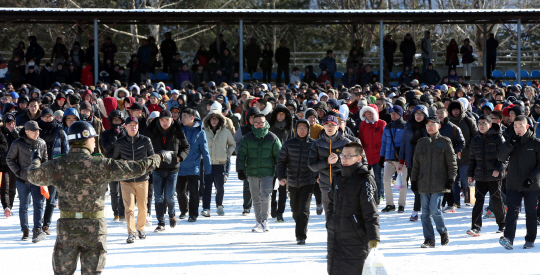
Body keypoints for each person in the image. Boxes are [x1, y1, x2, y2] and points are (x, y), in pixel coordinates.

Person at [27, 121, 173, 274]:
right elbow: (136, 168)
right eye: (93, 140)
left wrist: (36, 158)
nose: (95, 144)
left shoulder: (58, 164)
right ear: (86, 139)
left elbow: (33, 175)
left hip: (67, 229)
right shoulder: (101, 165)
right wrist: (159, 157)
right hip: (94, 229)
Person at [326, 142, 380, 273]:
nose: (344, 158)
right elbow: (331, 204)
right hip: (335, 236)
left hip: (356, 238)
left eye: (349, 156)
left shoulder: (365, 179)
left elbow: (371, 211)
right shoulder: (338, 177)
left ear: (359, 158)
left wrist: (373, 237)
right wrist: (330, 222)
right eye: (343, 155)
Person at [411, 116, 457, 248]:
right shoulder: (421, 143)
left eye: (433, 124)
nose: (430, 127)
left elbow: (452, 163)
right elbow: (415, 165)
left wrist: (451, 178)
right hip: (423, 182)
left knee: (434, 209)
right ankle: (429, 239)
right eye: (428, 124)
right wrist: (413, 180)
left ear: (439, 126)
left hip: (439, 182)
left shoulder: (445, 141)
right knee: (425, 213)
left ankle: (443, 232)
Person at [497, 115, 540, 250]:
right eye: (515, 126)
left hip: (531, 185)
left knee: (531, 213)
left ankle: (530, 239)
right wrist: (510, 144)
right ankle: (508, 239)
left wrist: (531, 178)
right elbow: (500, 157)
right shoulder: (511, 141)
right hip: (513, 184)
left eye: (520, 125)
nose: (518, 129)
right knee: (512, 212)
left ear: (527, 126)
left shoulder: (536, 142)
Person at [145, 110, 190, 230]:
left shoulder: (177, 131)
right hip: (157, 168)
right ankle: (161, 223)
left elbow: (186, 147)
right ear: (159, 120)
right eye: (162, 120)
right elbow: (145, 147)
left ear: (172, 120)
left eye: (167, 120)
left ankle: (172, 214)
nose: (165, 123)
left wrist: (180, 157)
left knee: (169, 197)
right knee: (158, 197)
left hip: (172, 169)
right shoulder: (152, 131)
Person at [236, 114, 282, 232]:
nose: (258, 125)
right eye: (256, 123)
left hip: (268, 172)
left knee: (266, 196)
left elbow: (279, 157)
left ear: (265, 123)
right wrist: (240, 169)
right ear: (253, 124)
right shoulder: (247, 138)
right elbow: (241, 155)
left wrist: (280, 172)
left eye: (261, 122)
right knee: (256, 197)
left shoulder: (272, 138)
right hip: (252, 172)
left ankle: (265, 221)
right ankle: (258, 222)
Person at [112, 116, 154, 243]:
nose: (133, 126)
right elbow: (115, 160)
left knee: (142, 208)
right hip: (126, 180)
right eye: (130, 124)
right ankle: (131, 232)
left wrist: (147, 172)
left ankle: (140, 228)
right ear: (125, 127)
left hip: (142, 179)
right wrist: (120, 173)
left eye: (135, 124)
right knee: (129, 208)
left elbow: (152, 158)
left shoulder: (145, 140)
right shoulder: (120, 142)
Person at [276, 119, 316, 244]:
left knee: (303, 208)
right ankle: (301, 225)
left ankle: (301, 236)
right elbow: (281, 162)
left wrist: (317, 175)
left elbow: (317, 162)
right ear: (295, 130)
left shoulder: (314, 144)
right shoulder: (288, 144)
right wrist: (281, 177)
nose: (302, 130)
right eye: (299, 128)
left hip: (308, 181)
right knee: (295, 210)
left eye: (304, 128)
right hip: (292, 181)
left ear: (308, 130)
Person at [6, 121, 47, 242]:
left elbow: (45, 161)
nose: (37, 133)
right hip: (22, 180)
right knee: (23, 206)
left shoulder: (42, 143)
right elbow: (9, 159)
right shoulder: (17, 143)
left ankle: (37, 230)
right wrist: (18, 172)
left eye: (38, 130)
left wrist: (44, 175)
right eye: (34, 131)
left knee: (38, 205)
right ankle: (25, 230)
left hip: (37, 180)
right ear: (27, 131)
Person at [467, 115, 506, 236]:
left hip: (494, 177)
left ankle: (502, 225)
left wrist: (498, 169)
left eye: (484, 123)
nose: (481, 126)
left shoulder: (498, 138)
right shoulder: (475, 140)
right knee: (478, 202)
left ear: (490, 124)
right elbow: (472, 159)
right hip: (480, 176)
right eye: (479, 123)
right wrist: (470, 174)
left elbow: (505, 157)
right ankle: (475, 227)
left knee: (497, 201)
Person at [308, 115, 352, 218]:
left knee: (343, 215)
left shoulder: (346, 142)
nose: (329, 127)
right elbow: (312, 166)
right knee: (329, 216)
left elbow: (353, 164)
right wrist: (327, 161)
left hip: (343, 183)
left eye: (332, 125)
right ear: (323, 127)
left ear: (337, 127)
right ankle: (331, 234)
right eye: (327, 125)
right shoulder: (317, 144)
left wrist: (337, 162)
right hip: (325, 184)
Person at [38, 108, 69, 235]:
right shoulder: (37, 130)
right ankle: (37, 224)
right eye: (45, 117)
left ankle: (46, 225)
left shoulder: (60, 130)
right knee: (38, 199)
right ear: (41, 118)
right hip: (40, 168)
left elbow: (65, 149)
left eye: (49, 116)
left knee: (50, 199)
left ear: (53, 117)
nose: (47, 119)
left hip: (55, 169)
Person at [177, 108, 212, 222]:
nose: (182, 119)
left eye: (185, 116)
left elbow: (205, 151)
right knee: (180, 192)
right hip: (180, 166)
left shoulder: (200, 132)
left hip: (194, 167)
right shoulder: (178, 129)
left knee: (194, 192)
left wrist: (208, 169)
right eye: (182, 116)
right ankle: (183, 210)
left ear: (192, 118)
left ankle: (193, 214)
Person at [202, 110, 235, 217]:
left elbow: (232, 144)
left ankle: (219, 206)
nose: (214, 120)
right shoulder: (204, 131)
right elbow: (199, 145)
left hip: (221, 163)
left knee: (220, 187)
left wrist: (228, 153)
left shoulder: (226, 132)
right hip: (208, 163)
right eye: (212, 118)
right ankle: (206, 209)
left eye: (216, 118)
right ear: (209, 120)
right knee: (207, 187)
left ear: (220, 120)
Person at [447, 100, 478, 210]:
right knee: (454, 180)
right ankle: (455, 201)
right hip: (452, 155)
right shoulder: (447, 122)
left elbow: (476, 136)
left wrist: (470, 147)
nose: (455, 112)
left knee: (466, 179)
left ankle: (469, 199)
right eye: (453, 110)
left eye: (457, 110)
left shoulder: (468, 121)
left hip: (466, 155)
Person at [380, 105, 408, 212]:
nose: (393, 115)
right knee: (386, 181)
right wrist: (382, 157)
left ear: (400, 114)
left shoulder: (406, 126)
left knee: (403, 183)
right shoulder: (387, 126)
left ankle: (401, 204)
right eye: (392, 113)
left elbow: (407, 144)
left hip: (402, 160)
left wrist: (406, 158)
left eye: (395, 113)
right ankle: (390, 204)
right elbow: (384, 143)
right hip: (389, 159)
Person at [269, 104, 294, 222]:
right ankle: (273, 206)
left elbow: (292, 142)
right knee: (272, 188)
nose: (280, 116)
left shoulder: (289, 128)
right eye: (279, 113)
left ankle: (280, 212)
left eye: (283, 114)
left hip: (284, 161)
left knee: (283, 188)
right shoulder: (269, 127)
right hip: (271, 161)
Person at [233, 106, 260, 215]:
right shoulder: (242, 129)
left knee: (262, 186)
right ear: (248, 118)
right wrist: (243, 151)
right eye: (251, 117)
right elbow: (235, 143)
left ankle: (262, 206)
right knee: (247, 185)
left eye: (256, 117)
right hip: (247, 162)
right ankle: (247, 207)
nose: (253, 120)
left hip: (261, 161)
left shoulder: (264, 130)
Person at [359, 104, 387, 205]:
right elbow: (361, 139)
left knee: (378, 176)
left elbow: (385, 140)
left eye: (370, 112)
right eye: (366, 112)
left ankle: (379, 195)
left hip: (379, 155)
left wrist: (384, 154)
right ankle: (370, 195)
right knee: (368, 177)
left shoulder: (382, 123)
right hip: (367, 155)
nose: (368, 114)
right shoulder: (363, 124)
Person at [1, 114, 18, 218]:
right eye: (8, 123)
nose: (11, 125)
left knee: (12, 187)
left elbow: (22, 141)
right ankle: (6, 207)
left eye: (12, 123)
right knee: (4, 186)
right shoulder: (1, 133)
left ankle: (10, 207)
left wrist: (13, 131)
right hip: (2, 164)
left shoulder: (16, 133)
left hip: (14, 164)